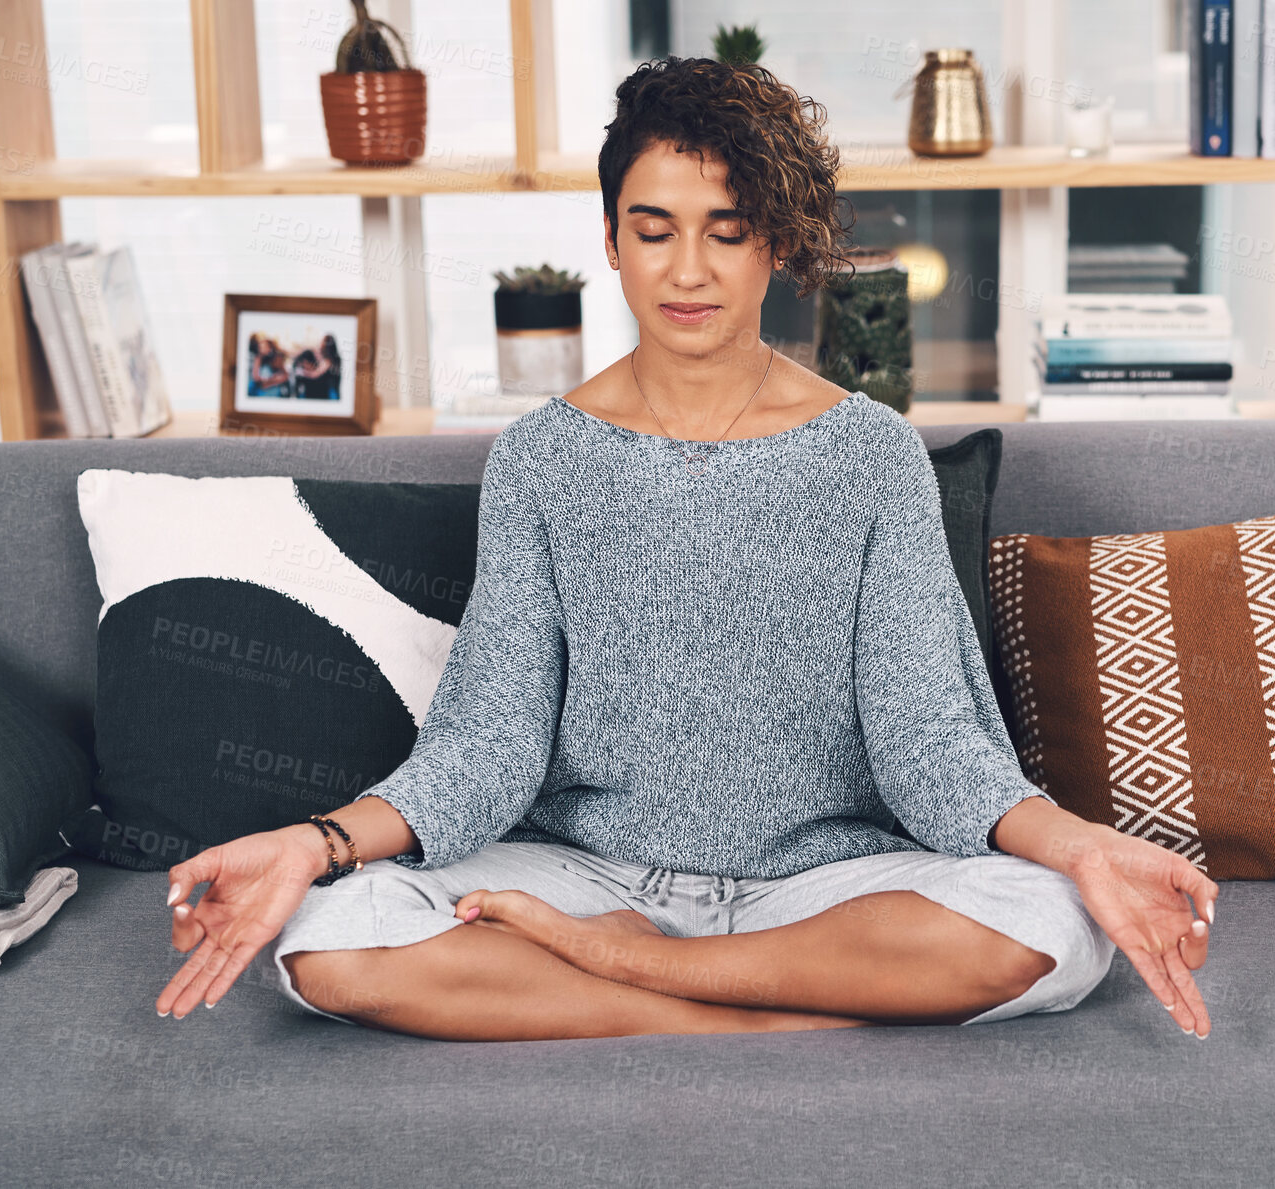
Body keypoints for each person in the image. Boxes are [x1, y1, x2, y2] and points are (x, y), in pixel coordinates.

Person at [156, 56, 1218, 1042]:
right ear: (612, 241)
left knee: (1051, 926)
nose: (688, 269)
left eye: (726, 229)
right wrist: (314, 843)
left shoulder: (872, 457)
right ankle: (748, 1014)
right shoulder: (540, 460)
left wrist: (1084, 847)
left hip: (825, 887)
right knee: (328, 942)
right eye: (654, 229)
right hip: (587, 875)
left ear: (777, 245)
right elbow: (487, 741)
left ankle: (630, 977)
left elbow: (930, 744)